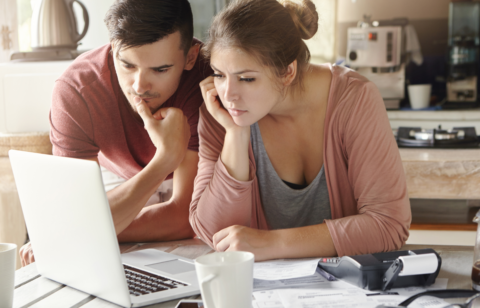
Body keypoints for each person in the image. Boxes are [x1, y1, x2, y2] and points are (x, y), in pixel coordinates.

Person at [190, 0, 411, 261]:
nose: (228, 94)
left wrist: (271, 243)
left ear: (287, 72)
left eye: (246, 78)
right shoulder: (221, 113)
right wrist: (236, 134)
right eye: (219, 74)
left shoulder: (354, 100)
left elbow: (388, 226)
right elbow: (212, 233)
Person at [20, 0, 211, 266]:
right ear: (112, 49)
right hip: (115, 175)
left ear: (190, 57)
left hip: (190, 179)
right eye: (128, 65)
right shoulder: (75, 91)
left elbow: (183, 218)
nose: (140, 86)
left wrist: (75, 232)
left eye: (160, 69)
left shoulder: (205, 76)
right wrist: (164, 160)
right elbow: (74, 211)